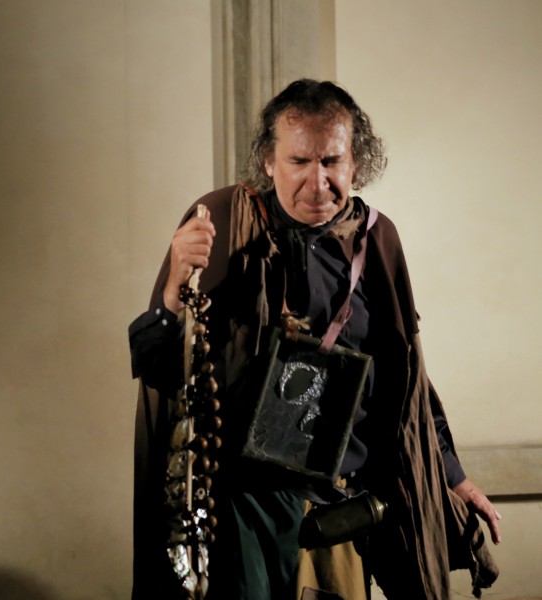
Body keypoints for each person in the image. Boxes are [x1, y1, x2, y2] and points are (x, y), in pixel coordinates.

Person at [129, 79, 501, 599]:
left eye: (332, 161)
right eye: (299, 161)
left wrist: (455, 478)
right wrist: (173, 288)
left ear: (356, 164)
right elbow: (158, 368)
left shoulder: (378, 238)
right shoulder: (223, 221)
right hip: (242, 510)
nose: (317, 180)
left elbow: (406, 381)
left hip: (339, 510)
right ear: (268, 162)